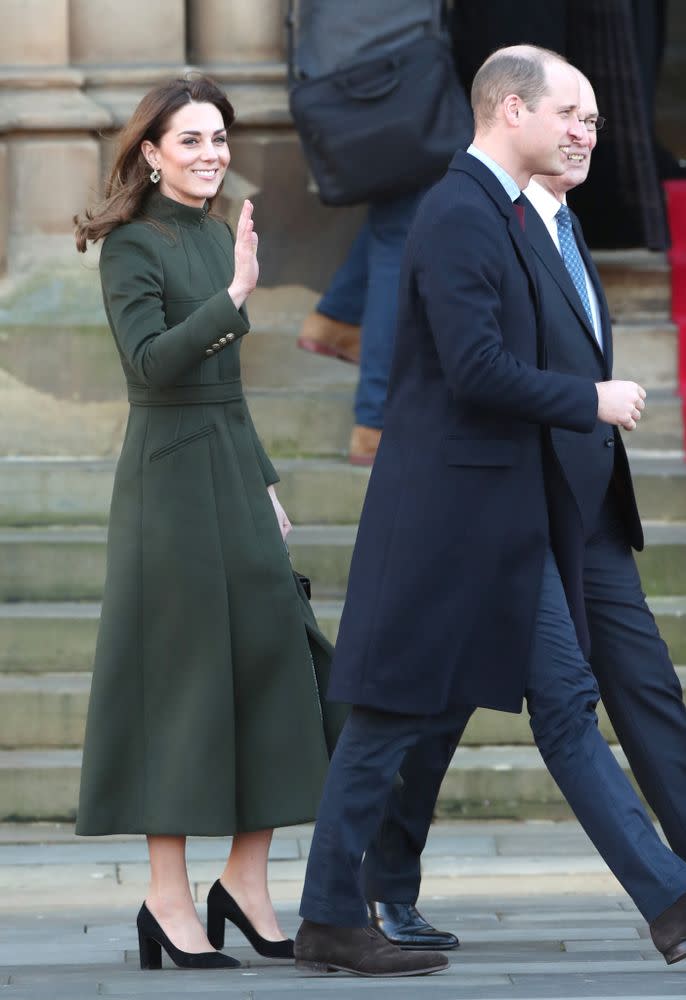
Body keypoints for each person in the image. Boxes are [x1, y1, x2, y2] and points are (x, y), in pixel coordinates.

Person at [293, 45, 686, 978]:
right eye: (572, 114)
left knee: (470, 713)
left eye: (593, 118)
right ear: (511, 110)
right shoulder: (462, 212)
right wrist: (587, 401)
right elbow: (473, 368)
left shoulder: (529, 213)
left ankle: (331, 916)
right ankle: (669, 902)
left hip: (526, 506)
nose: (588, 131)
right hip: (461, 513)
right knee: (402, 717)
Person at [73, 76, 345, 971]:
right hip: (169, 487)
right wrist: (232, 298)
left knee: (273, 672)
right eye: (190, 140)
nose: (211, 154)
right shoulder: (131, 247)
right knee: (182, 690)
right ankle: (165, 898)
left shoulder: (225, 233)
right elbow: (152, 368)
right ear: (151, 153)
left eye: (219, 138)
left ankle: (246, 883)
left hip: (230, 470)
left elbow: (226, 389)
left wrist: (265, 479)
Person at [293, 0, 472, 466]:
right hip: (396, 68)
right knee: (406, 228)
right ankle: (375, 421)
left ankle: (335, 318)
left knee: (401, 213)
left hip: (340, 65)